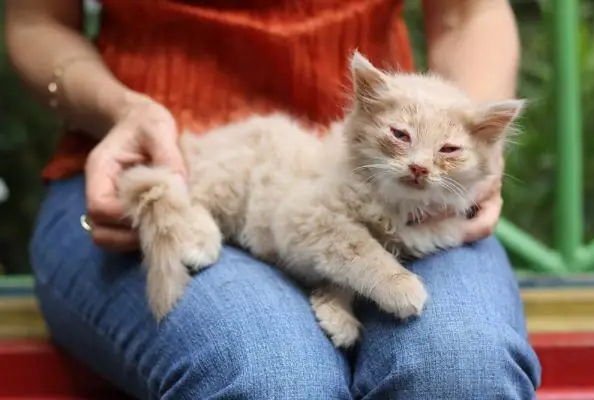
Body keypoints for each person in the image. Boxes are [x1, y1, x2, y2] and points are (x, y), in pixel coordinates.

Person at [6, 0, 541, 398]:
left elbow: (469, 15)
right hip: (140, 158)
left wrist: (471, 139)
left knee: (464, 366)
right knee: (274, 376)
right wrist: (120, 110)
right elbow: (35, 21)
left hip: (387, 182)